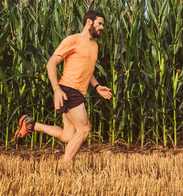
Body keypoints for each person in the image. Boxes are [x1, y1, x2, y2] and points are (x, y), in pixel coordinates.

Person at [14, 10, 112, 163]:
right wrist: (57, 90)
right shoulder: (73, 40)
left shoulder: (94, 47)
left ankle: (30, 124)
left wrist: (97, 86)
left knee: (67, 135)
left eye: (103, 25)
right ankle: (64, 166)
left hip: (78, 92)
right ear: (88, 22)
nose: (102, 28)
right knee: (84, 129)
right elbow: (51, 63)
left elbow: (88, 70)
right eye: (99, 23)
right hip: (68, 89)